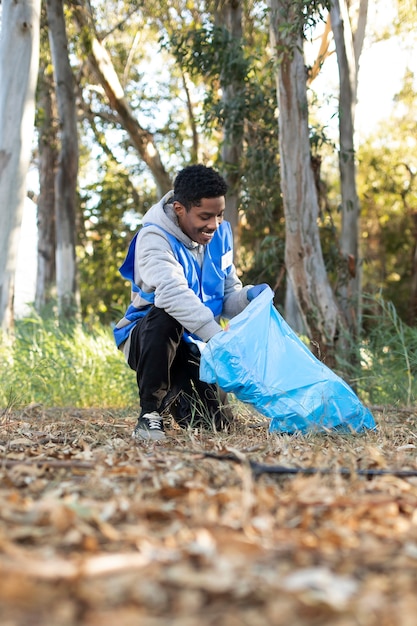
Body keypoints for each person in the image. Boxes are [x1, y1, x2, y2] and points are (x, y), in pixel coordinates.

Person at [114, 164, 268, 441]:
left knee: (212, 425)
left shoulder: (219, 235)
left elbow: (226, 297)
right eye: (205, 216)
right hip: (149, 337)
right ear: (179, 209)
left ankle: (177, 394)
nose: (214, 224)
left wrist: (248, 297)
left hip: (193, 343)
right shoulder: (154, 238)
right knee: (167, 312)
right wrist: (216, 337)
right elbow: (172, 294)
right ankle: (150, 415)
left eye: (220, 215)